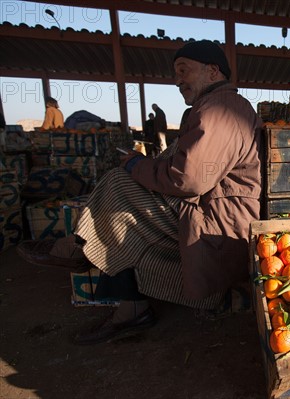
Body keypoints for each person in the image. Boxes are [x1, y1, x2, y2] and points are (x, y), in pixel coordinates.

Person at [17, 40, 263, 345]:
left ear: (212, 71)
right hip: (208, 206)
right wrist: (143, 166)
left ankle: (80, 252)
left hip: (219, 220)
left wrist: (135, 164)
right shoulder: (213, 106)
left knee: (119, 187)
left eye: (183, 71)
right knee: (121, 216)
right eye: (176, 73)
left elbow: (188, 180)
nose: (177, 80)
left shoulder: (221, 108)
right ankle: (128, 305)